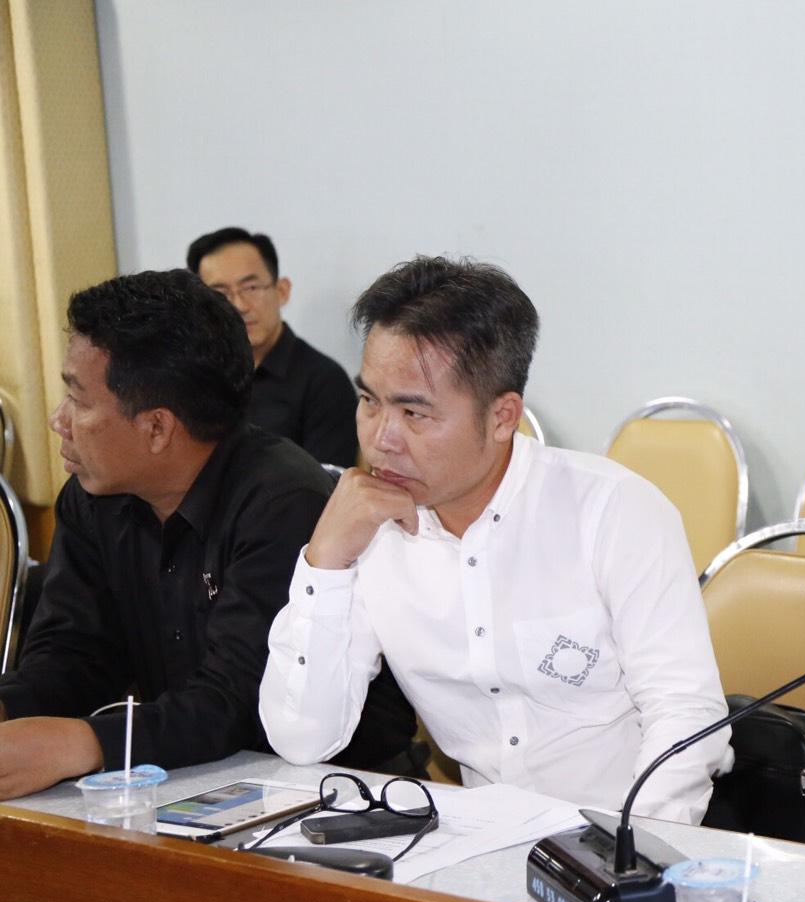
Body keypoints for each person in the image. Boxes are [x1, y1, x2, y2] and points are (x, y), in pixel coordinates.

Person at [258, 257, 732, 824]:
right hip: (477, 841)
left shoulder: (614, 511)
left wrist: (630, 852)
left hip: (621, 834)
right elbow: (302, 739)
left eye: (413, 412)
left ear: (503, 416)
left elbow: (687, 716)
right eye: (369, 401)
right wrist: (326, 563)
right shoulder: (367, 530)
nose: (382, 438)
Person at [0, 269, 415, 799]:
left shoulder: (283, 503)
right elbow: (73, 655)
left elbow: (235, 705)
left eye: (79, 401)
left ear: (157, 427)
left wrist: (84, 743)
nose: (59, 420)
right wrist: (10, 708)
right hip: (184, 775)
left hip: (342, 792)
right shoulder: (94, 498)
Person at [188, 227, 358, 467]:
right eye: (220, 294)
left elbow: (327, 483)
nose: (239, 306)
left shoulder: (324, 381)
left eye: (251, 288)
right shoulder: (196, 377)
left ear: (281, 291)